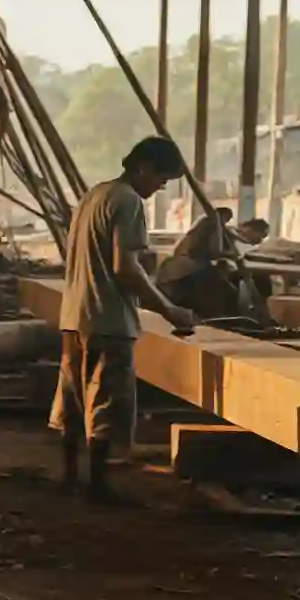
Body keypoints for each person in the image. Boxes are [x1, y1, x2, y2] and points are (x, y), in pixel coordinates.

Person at [55, 137, 199, 501]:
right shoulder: (128, 200)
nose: (160, 188)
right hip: (108, 320)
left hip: (74, 316)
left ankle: (70, 478)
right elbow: (125, 268)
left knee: (73, 400)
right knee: (106, 403)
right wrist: (170, 310)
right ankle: (99, 488)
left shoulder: (93, 196)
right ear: (143, 167)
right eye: (161, 179)